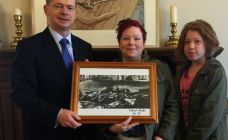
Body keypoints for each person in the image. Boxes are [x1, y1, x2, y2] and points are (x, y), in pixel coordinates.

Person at [11, 0, 98, 140]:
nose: (64, 11)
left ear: (75, 13)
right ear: (46, 10)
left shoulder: (85, 47)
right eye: (58, 6)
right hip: (46, 132)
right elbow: (21, 94)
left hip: (82, 132)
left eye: (70, 8)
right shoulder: (28, 47)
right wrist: (57, 114)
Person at [98, 18, 179, 140]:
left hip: (152, 136)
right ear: (119, 43)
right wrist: (110, 128)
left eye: (136, 38)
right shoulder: (108, 70)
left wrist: (162, 136)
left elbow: (173, 104)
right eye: (126, 38)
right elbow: (97, 107)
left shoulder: (160, 68)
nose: (131, 43)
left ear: (144, 43)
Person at [175, 19, 228, 140]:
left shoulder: (215, 71)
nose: (191, 46)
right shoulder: (181, 71)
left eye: (197, 41)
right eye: (187, 42)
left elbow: (210, 117)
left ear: (207, 43)